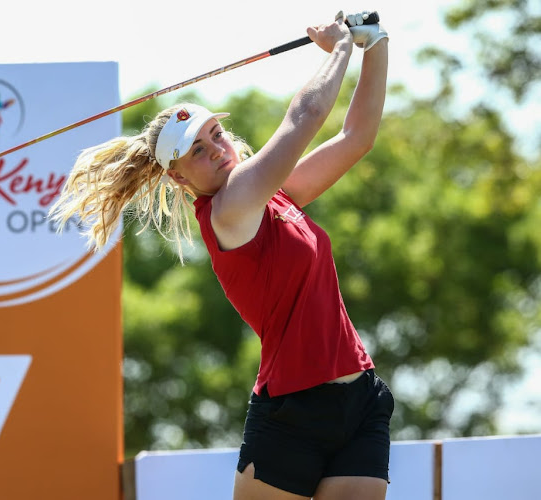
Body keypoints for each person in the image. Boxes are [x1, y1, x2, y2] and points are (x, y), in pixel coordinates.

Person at [49, 11, 391, 500]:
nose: (216, 149)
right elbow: (305, 119)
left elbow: (356, 138)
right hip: (292, 412)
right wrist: (339, 48)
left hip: (359, 398)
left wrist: (374, 42)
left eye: (215, 134)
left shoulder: (275, 196)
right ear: (178, 177)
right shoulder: (228, 210)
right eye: (197, 151)